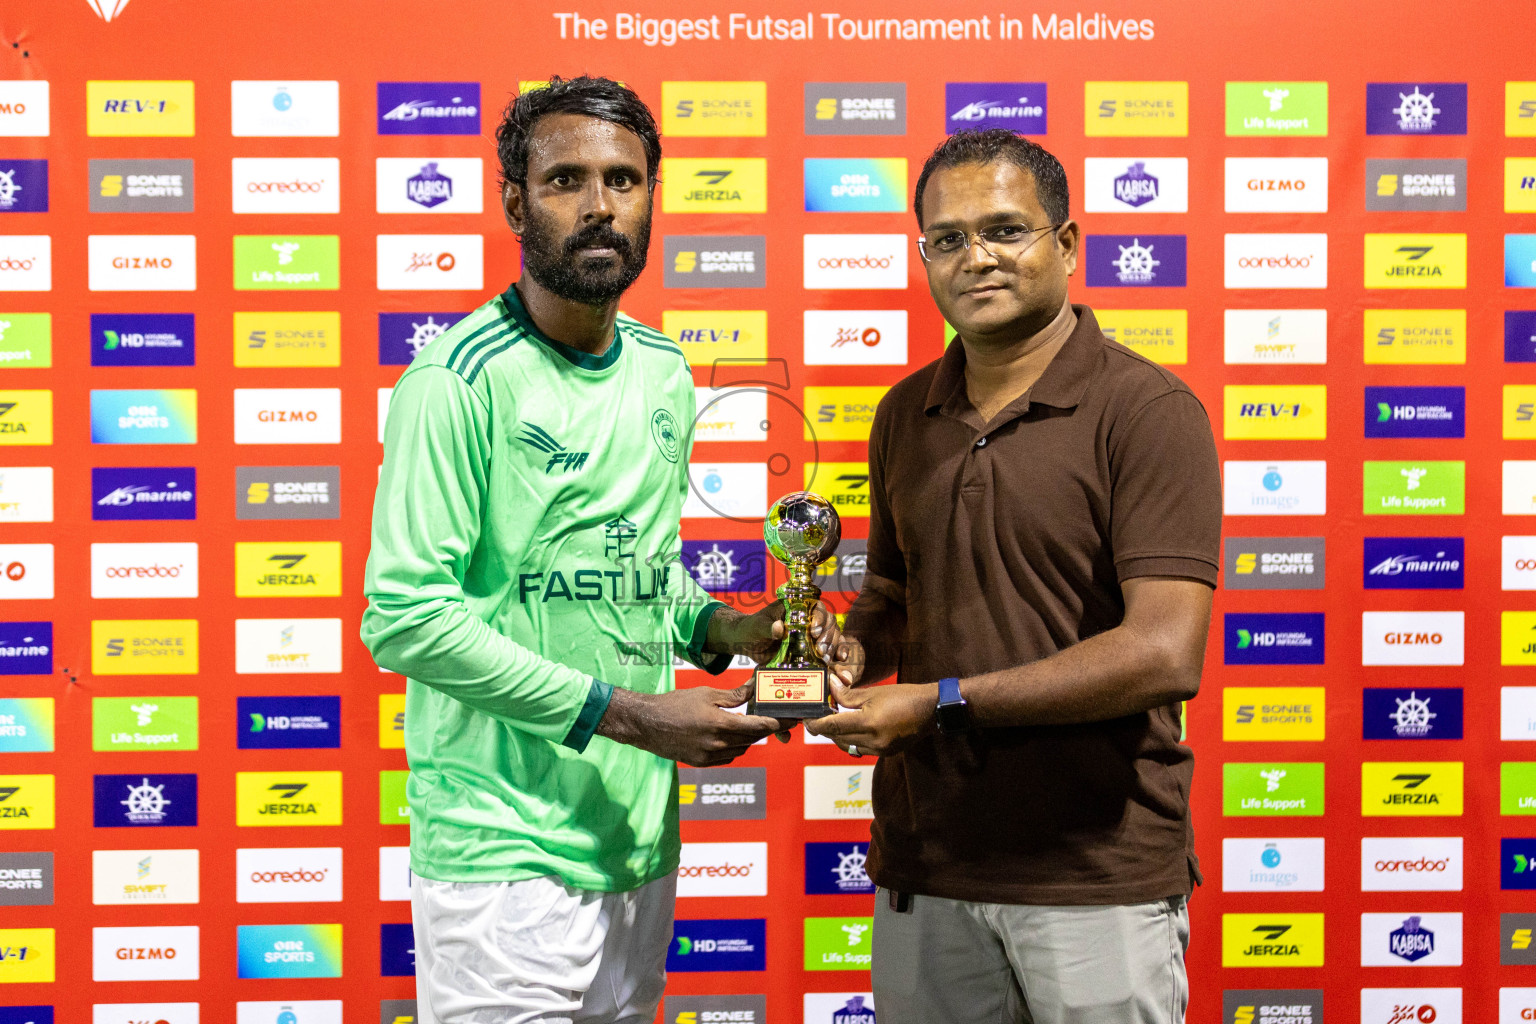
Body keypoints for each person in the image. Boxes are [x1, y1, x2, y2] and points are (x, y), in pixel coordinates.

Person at [361, 76, 846, 1024]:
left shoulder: (664, 370)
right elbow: (407, 618)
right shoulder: (455, 382)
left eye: (623, 180)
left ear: (652, 196)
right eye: (565, 180)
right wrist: (626, 715)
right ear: (513, 201)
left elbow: (636, 570)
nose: (598, 207)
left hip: (633, 840)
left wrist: (733, 629)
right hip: (500, 856)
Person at [806, 129, 1221, 1024]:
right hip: (930, 861)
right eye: (947, 239)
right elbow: (890, 595)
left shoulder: (1148, 411)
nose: (976, 257)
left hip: (1093, 872)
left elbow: (1163, 654)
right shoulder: (903, 412)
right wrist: (847, 650)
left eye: (1004, 230)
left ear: (1066, 245)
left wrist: (936, 701)